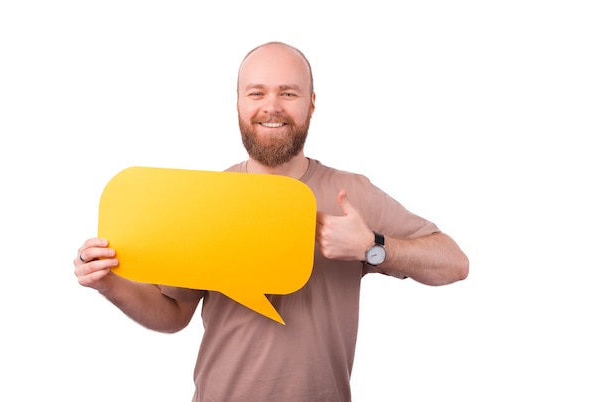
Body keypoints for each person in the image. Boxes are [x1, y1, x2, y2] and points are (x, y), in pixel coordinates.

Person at [74, 41, 469, 402]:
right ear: (239, 104)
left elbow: (454, 263)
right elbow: (173, 314)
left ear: (311, 103)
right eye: (257, 92)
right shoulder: (206, 197)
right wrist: (110, 284)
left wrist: (372, 246)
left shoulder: (353, 194)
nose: (272, 106)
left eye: (288, 92)